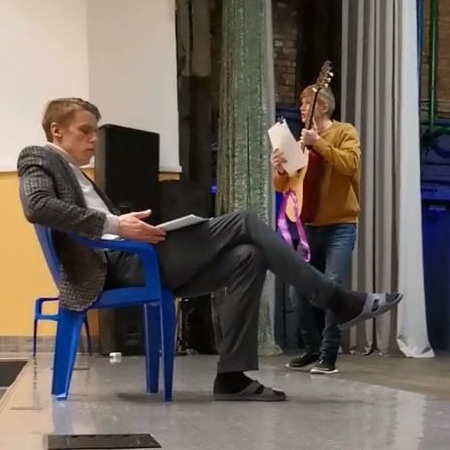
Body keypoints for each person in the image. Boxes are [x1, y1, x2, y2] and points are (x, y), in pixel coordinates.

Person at [18, 98, 402, 402]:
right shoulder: (38, 156)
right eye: (84, 131)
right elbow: (36, 206)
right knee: (244, 222)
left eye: (93, 132)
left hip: (132, 256)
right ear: (56, 131)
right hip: (119, 266)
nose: (93, 139)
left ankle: (232, 377)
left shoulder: (77, 173)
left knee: (250, 256)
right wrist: (118, 224)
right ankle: (335, 299)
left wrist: (126, 225)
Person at [271, 85, 359, 375]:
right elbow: (284, 186)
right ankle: (311, 348)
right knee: (298, 289)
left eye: (307, 103)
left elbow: (350, 164)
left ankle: (328, 356)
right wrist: (279, 169)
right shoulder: (300, 143)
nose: (302, 108)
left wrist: (318, 143)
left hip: (340, 225)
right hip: (309, 227)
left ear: (323, 106)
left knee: (331, 287)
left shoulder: (344, 131)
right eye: (301, 104)